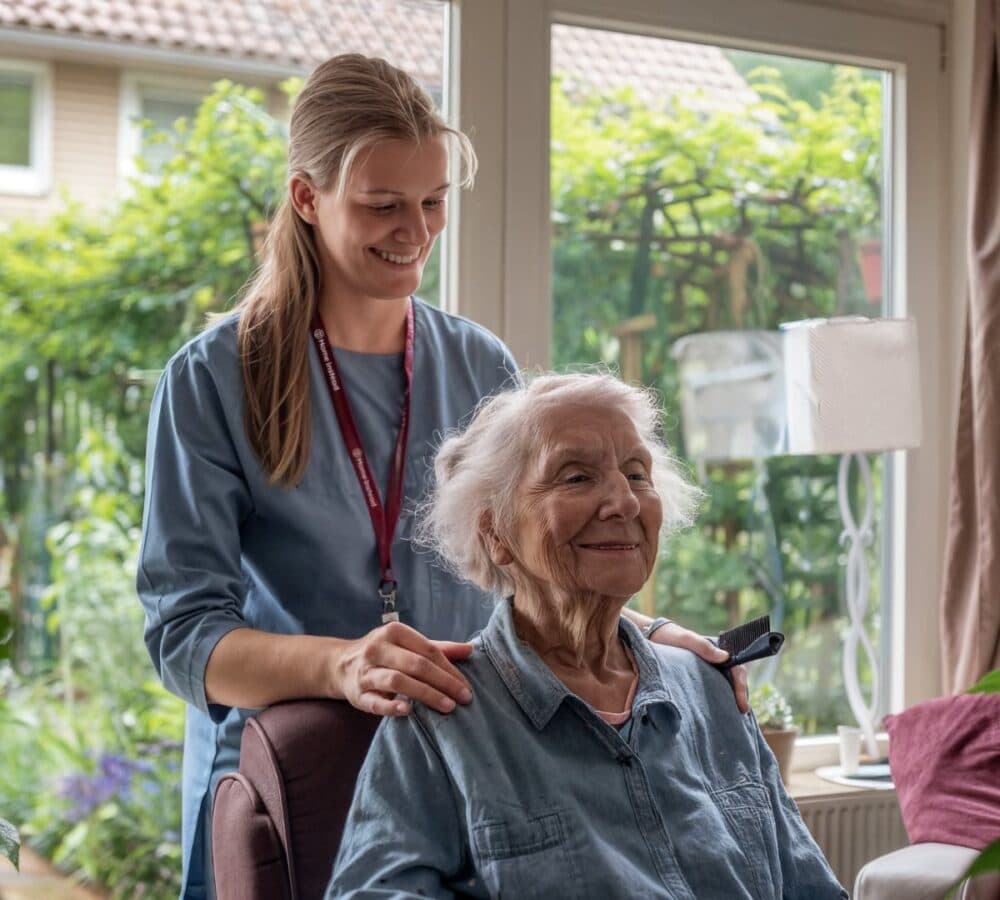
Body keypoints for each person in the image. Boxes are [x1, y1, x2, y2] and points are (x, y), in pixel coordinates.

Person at [136, 54, 747, 899]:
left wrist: (645, 639)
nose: (415, 231)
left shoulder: (475, 360)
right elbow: (185, 640)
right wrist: (344, 665)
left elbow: (527, 562)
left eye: (432, 202)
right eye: (383, 205)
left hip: (475, 769)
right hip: (296, 784)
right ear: (307, 198)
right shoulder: (211, 378)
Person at [329, 372, 846, 900]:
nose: (624, 501)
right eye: (576, 478)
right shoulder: (444, 715)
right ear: (495, 534)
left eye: (637, 473)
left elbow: (810, 888)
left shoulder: (713, 690)